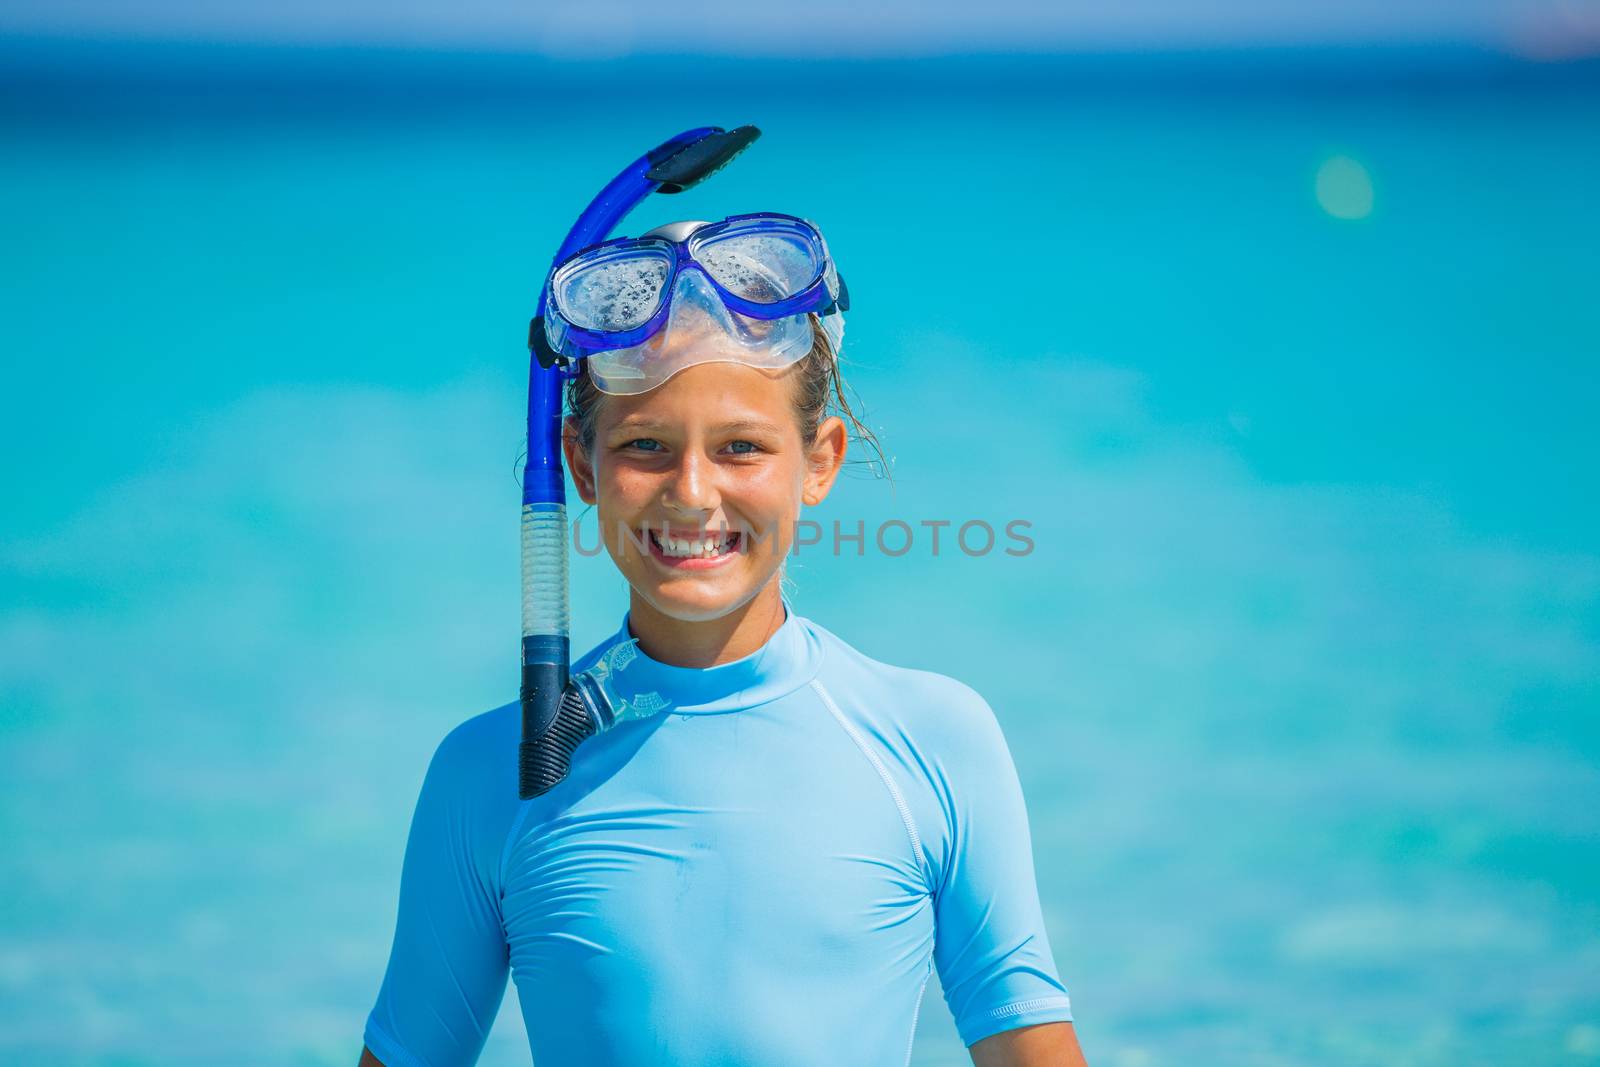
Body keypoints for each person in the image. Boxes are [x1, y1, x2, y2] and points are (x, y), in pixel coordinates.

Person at [358, 211, 1087, 1067]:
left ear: (819, 461)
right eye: (646, 446)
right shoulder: (493, 774)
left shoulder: (932, 741)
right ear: (581, 464)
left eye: (742, 446)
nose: (693, 492)